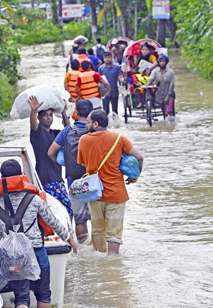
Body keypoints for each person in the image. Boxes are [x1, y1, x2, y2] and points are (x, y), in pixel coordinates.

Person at [0, 160, 77, 308]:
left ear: (2, 178)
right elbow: (53, 221)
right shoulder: (34, 199)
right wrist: (69, 239)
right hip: (36, 252)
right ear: (22, 176)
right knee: (44, 292)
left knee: (21, 296)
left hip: (13, 256)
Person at [77, 111, 143, 254]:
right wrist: (135, 176)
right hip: (116, 194)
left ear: (95, 124)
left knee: (98, 229)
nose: (87, 124)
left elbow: (82, 164)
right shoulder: (119, 138)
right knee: (114, 233)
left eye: (88, 122)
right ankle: (113, 263)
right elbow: (139, 157)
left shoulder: (83, 140)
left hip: (95, 193)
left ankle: (100, 263)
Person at [46, 99, 94, 244]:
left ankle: (83, 248)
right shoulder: (96, 130)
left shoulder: (68, 131)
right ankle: (96, 249)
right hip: (95, 180)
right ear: (92, 113)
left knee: (79, 218)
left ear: (76, 112)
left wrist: (65, 163)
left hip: (74, 180)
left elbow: (51, 152)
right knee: (97, 218)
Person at [27, 95, 73, 217]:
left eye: (50, 115)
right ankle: (66, 234)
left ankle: (66, 233)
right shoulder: (37, 134)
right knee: (65, 209)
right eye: (45, 115)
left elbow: (69, 132)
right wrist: (34, 110)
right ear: (39, 117)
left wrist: (64, 113)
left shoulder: (56, 134)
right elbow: (33, 125)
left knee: (64, 211)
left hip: (58, 179)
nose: (48, 118)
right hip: (46, 180)